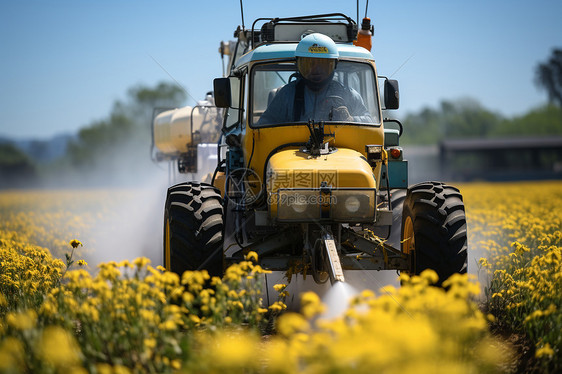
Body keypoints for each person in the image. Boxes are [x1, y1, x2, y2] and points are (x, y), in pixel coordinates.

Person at [257, 33, 373, 126]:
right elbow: (263, 126)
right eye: (309, 64)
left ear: (334, 65)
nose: (316, 70)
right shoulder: (286, 95)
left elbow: (370, 121)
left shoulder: (348, 94)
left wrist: (352, 119)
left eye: (322, 64)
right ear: (298, 66)